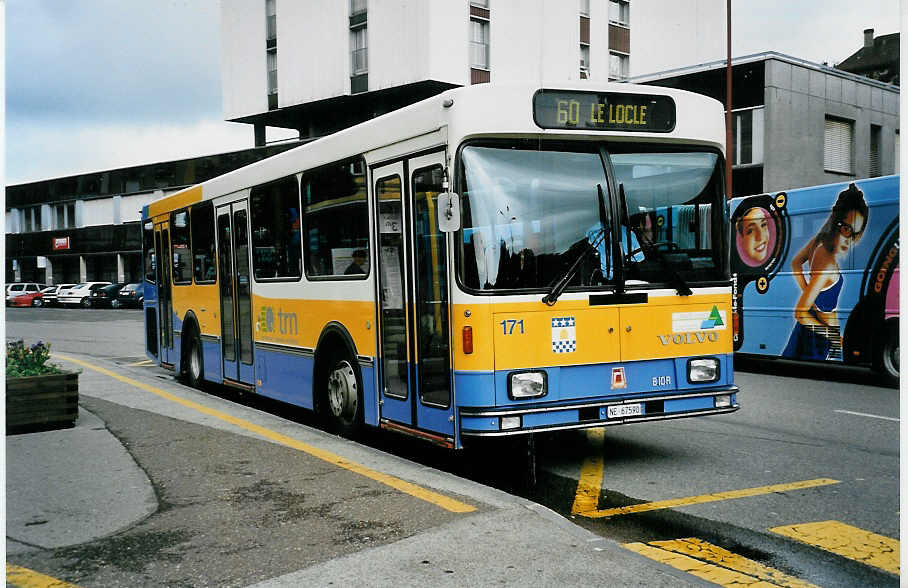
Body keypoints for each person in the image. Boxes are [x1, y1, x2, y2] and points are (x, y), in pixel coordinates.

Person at [781, 183, 868, 360]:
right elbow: (800, 313)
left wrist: (807, 290)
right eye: (846, 229)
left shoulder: (817, 242)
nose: (849, 240)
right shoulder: (827, 262)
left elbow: (796, 263)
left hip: (813, 331)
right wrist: (832, 335)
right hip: (818, 336)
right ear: (836, 222)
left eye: (855, 234)